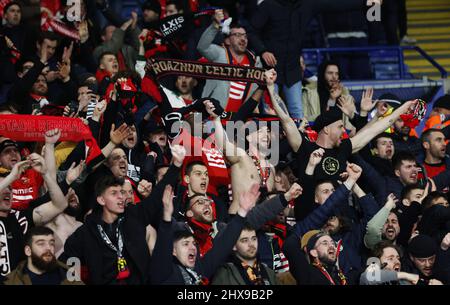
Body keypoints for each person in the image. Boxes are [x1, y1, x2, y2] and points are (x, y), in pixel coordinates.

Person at [59, 145, 186, 285]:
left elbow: (156, 196)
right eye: (114, 193)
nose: (121, 197)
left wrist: (176, 165)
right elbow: (67, 259)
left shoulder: (134, 215)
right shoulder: (87, 231)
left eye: (122, 193)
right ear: (101, 200)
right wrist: (76, 282)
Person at [248, 0, 382, 121]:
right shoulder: (268, 5)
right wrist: (262, 51)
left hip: (292, 69)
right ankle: (271, 145)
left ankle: (298, 147)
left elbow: (335, 4)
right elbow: (250, 30)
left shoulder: (306, 5)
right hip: (270, 69)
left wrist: (365, 2)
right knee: (270, 113)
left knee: (297, 114)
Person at [149, 182, 257, 285]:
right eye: (186, 244)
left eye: (193, 243)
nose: (192, 247)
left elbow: (223, 245)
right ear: (173, 251)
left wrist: (242, 211)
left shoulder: (199, 270)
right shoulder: (163, 272)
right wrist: (167, 217)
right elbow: (162, 248)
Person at [197, 9, 262, 112]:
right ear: (227, 40)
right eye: (237, 35)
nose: (243, 39)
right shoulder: (220, 54)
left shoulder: (254, 62)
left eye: (245, 36)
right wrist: (215, 25)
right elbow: (202, 47)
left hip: (239, 120)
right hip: (214, 116)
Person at [3, 226, 84, 285]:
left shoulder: (67, 273)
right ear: (28, 251)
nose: (49, 248)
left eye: (51, 243)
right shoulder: (11, 281)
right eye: (41, 244)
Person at [211, 224, 280, 285]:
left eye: (254, 239)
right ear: (233, 246)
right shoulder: (224, 276)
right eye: (245, 240)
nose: (251, 244)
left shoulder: (269, 272)